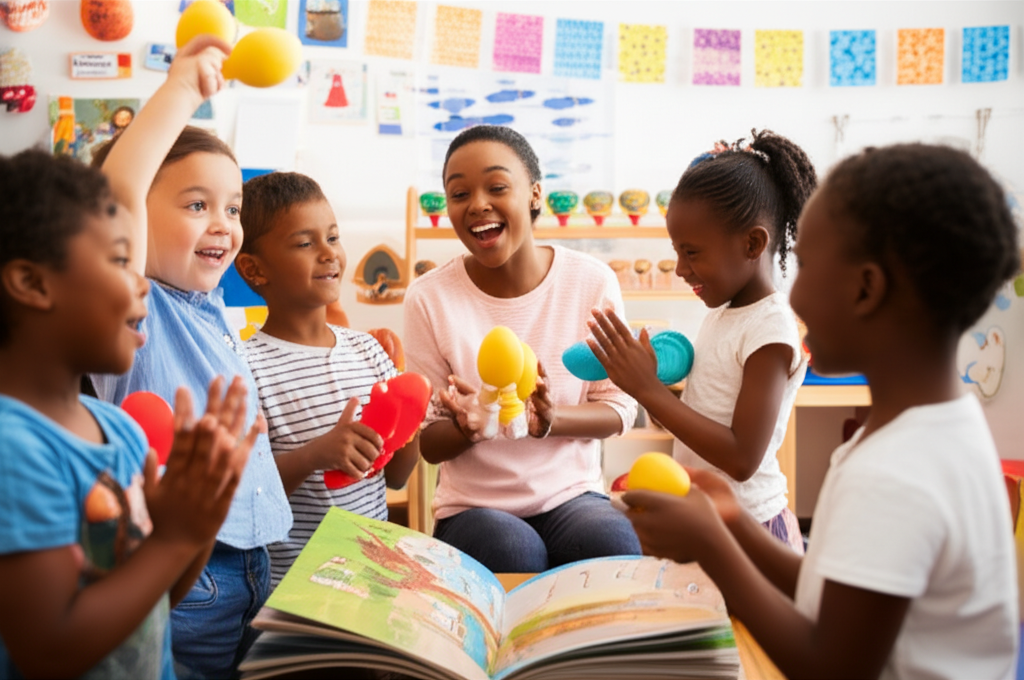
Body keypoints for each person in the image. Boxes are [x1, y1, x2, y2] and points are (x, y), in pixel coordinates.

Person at [623, 143, 1020, 679]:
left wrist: (714, 548)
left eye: (806, 266)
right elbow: (833, 588)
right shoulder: (933, 429)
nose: (796, 300)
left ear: (866, 288)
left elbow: (833, 665)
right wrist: (735, 523)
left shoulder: (897, 472)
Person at [0, 39, 259, 679]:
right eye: (120, 261)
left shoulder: (116, 432)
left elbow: (152, 602)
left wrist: (192, 523)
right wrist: (182, 88)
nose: (137, 281)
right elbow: (49, 649)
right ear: (33, 283)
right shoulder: (13, 449)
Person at [88, 36, 292, 680]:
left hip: (259, 560)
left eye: (232, 208)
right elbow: (119, 191)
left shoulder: (213, 309)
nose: (225, 225)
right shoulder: (134, 306)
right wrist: (182, 88)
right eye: (196, 205)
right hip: (188, 574)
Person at [403, 124, 641, 574]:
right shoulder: (428, 298)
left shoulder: (590, 282)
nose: (477, 205)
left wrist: (548, 421)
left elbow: (619, 406)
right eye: (459, 194)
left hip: (572, 497)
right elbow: (429, 444)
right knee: (513, 551)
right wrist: (470, 426)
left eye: (496, 186)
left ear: (534, 194)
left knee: (610, 543)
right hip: (473, 509)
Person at [589, 130, 816, 552]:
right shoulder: (726, 313)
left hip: (750, 531)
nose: (679, 268)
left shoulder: (771, 330)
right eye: (677, 251)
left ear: (752, 243)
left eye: (691, 253)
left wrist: (648, 391)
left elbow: (741, 458)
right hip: (711, 521)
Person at [233, 171, 420, 586]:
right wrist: (315, 454)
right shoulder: (244, 367)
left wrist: (413, 419)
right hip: (295, 589)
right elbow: (246, 491)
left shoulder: (368, 351)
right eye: (305, 243)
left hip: (373, 576)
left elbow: (397, 476)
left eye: (333, 238)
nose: (328, 253)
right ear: (253, 268)